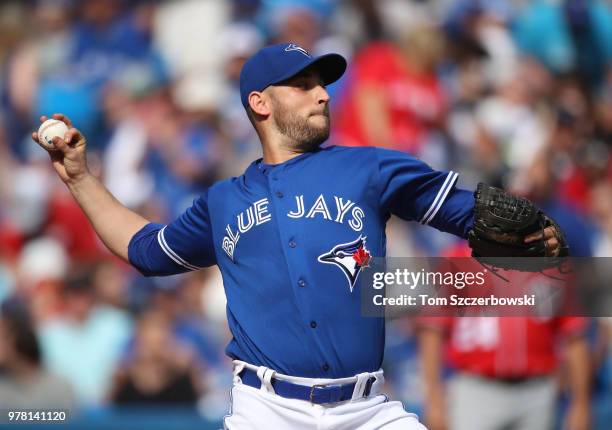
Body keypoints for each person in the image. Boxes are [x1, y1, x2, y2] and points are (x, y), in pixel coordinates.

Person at [31, 43, 564, 429]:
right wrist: (79, 176)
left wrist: (531, 241)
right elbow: (145, 250)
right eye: (304, 84)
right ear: (261, 103)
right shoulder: (223, 201)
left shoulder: (371, 169)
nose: (323, 95)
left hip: (368, 410)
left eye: (324, 83)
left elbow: (476, 216)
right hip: (267, 412)